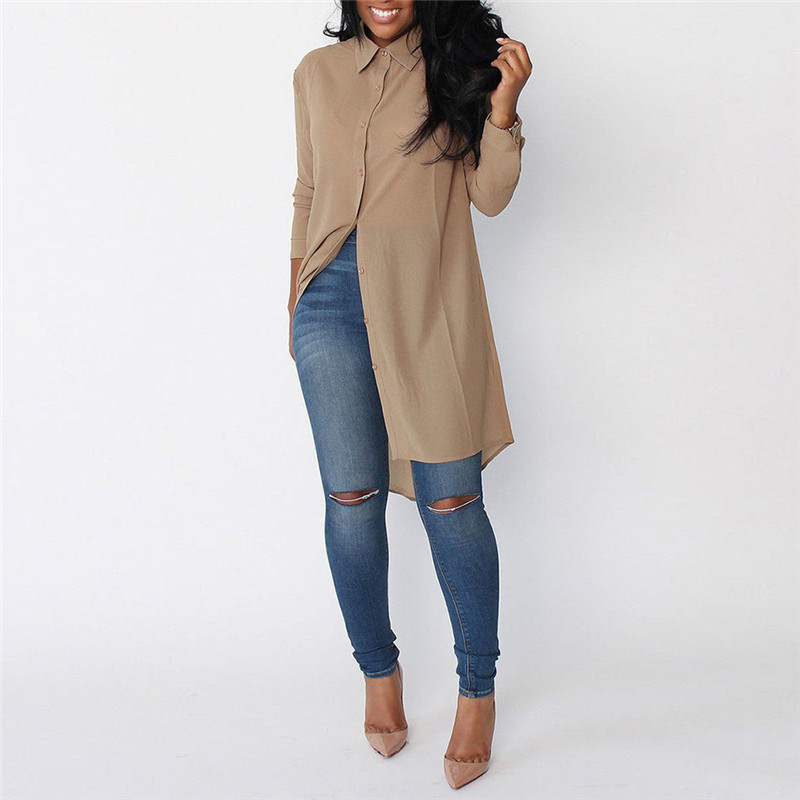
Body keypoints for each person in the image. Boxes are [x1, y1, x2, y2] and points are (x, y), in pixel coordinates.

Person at [287, 0, 531, 789]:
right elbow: (308, 189)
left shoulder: (459, 71)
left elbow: (490, 195)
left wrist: (503, 107)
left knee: (451, 501)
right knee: (350, 498)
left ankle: (477, 691)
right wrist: (295, 300)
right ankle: (378, 672)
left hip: (428, 305)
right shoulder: (317, 73)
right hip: (330, 303)